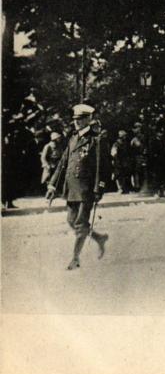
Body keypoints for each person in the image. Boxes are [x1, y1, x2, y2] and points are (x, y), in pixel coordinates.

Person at [46, 104, 110, 270]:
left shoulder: (97, 139)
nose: (77, 123)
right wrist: (52, 185)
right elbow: (63, 163)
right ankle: (99, 238)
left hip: (87, 189)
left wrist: (99, 188)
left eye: (81, 119)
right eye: (75, 119)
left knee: (81, 224)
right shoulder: (73, 138)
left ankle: (75, 258)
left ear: (89, 119)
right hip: (72, 188)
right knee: (71, 220)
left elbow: (103, 167)